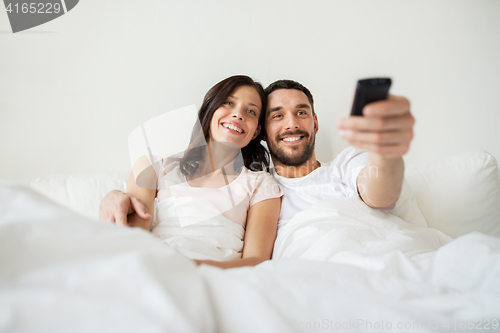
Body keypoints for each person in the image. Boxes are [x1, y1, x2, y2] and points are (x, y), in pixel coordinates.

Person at [100, 75, 282, 269]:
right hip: (154, 270)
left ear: (255, 132)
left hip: (216, 278)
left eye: (251, 111)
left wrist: (186, 266)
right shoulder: (152, 167)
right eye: (229, 102)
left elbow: (256, 262)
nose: (238, 114)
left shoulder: (261, 184)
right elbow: (134, 242)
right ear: (210, 111)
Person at [262, 79, 414, 228]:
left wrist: (385, 149)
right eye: (278, 116)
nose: (292, 124)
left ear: (315, 124)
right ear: (263, 131)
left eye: (301, 113)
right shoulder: (260, 195)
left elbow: (381, 195)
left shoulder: (347, 163)